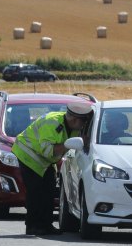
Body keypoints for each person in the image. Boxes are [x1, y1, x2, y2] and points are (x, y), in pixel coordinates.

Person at [11, 100, 94, 235]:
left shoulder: (73, 127)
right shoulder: (52, 124)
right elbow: (47, 151)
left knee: (49, 190)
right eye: (83, 121)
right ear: (73, 119)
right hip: (28, 155)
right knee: (36, 191)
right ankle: (32, 226)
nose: (84, 124)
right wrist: (67, 145)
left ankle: (46, 225)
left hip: (44, 161)